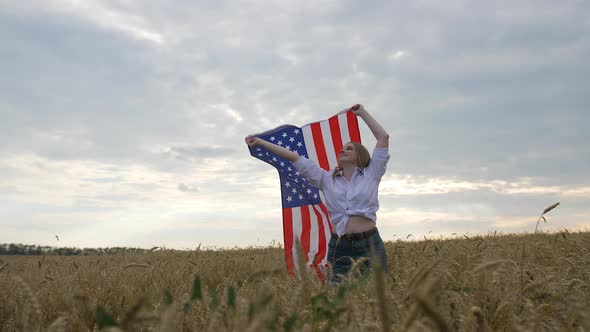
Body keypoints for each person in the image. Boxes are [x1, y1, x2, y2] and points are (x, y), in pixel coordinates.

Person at [245, 104, 390, 282]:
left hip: (370, 244)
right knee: (338, 296)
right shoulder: (326, 179)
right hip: (340, 247)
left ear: (360, 156)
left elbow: (383, 137)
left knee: (376, 292)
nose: (343, 150)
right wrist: (261, 143)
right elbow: (293, 157)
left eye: (349, 148)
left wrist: (361, 113)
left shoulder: (372, 174)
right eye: (342, 149)